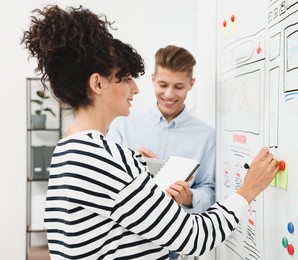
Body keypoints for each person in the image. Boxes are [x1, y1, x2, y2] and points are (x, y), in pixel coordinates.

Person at [21, 5, 280, 260]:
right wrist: (248, 190)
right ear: (98, 83)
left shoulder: (68, 149)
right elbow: (194, 237)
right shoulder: (102, 158)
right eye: (125, 78)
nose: (135, 88)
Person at [107, 45, 215, 260]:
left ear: (191, 84)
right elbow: (107, 182)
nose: (169, 94)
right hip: (126, 239)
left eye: (178, 87)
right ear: (153, 79)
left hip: (175, 241)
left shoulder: (206, 135)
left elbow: (210, 190)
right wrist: (135, 165)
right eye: (163, 85)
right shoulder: (123, 122)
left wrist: (189, 197)